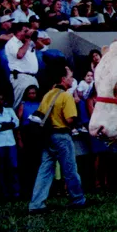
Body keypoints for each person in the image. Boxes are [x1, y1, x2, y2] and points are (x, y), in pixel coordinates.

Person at [28, 63, 88, 213]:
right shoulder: (65, 96)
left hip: (47, 136)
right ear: (63, 79)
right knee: (70, 169)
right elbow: (69, 119)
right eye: (70, 77)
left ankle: (36, 203)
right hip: (62, 135)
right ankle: (78, 199)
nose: (72, 80)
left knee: (45, 169)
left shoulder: (48, 95)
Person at [0, 90, 21, 200]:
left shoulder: (10, 110)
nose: (0, 101)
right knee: (0, 169)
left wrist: (5, 124)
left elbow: (16, 123)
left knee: (13, 167)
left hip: (10, 142)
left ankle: (15, 192)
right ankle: (3, 193)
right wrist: (9, 124)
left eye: (2, 99)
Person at [5, 23, 39, 107]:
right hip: (20, 77)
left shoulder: (27, 42)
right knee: (18, 103)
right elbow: (19, 55)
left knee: (34, 103)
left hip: (32, 77)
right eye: (25, 31)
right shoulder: (11, 43)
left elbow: (41, 47)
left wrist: (33, 38)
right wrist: (27, 40)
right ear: (18, 32)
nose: (27, 33)